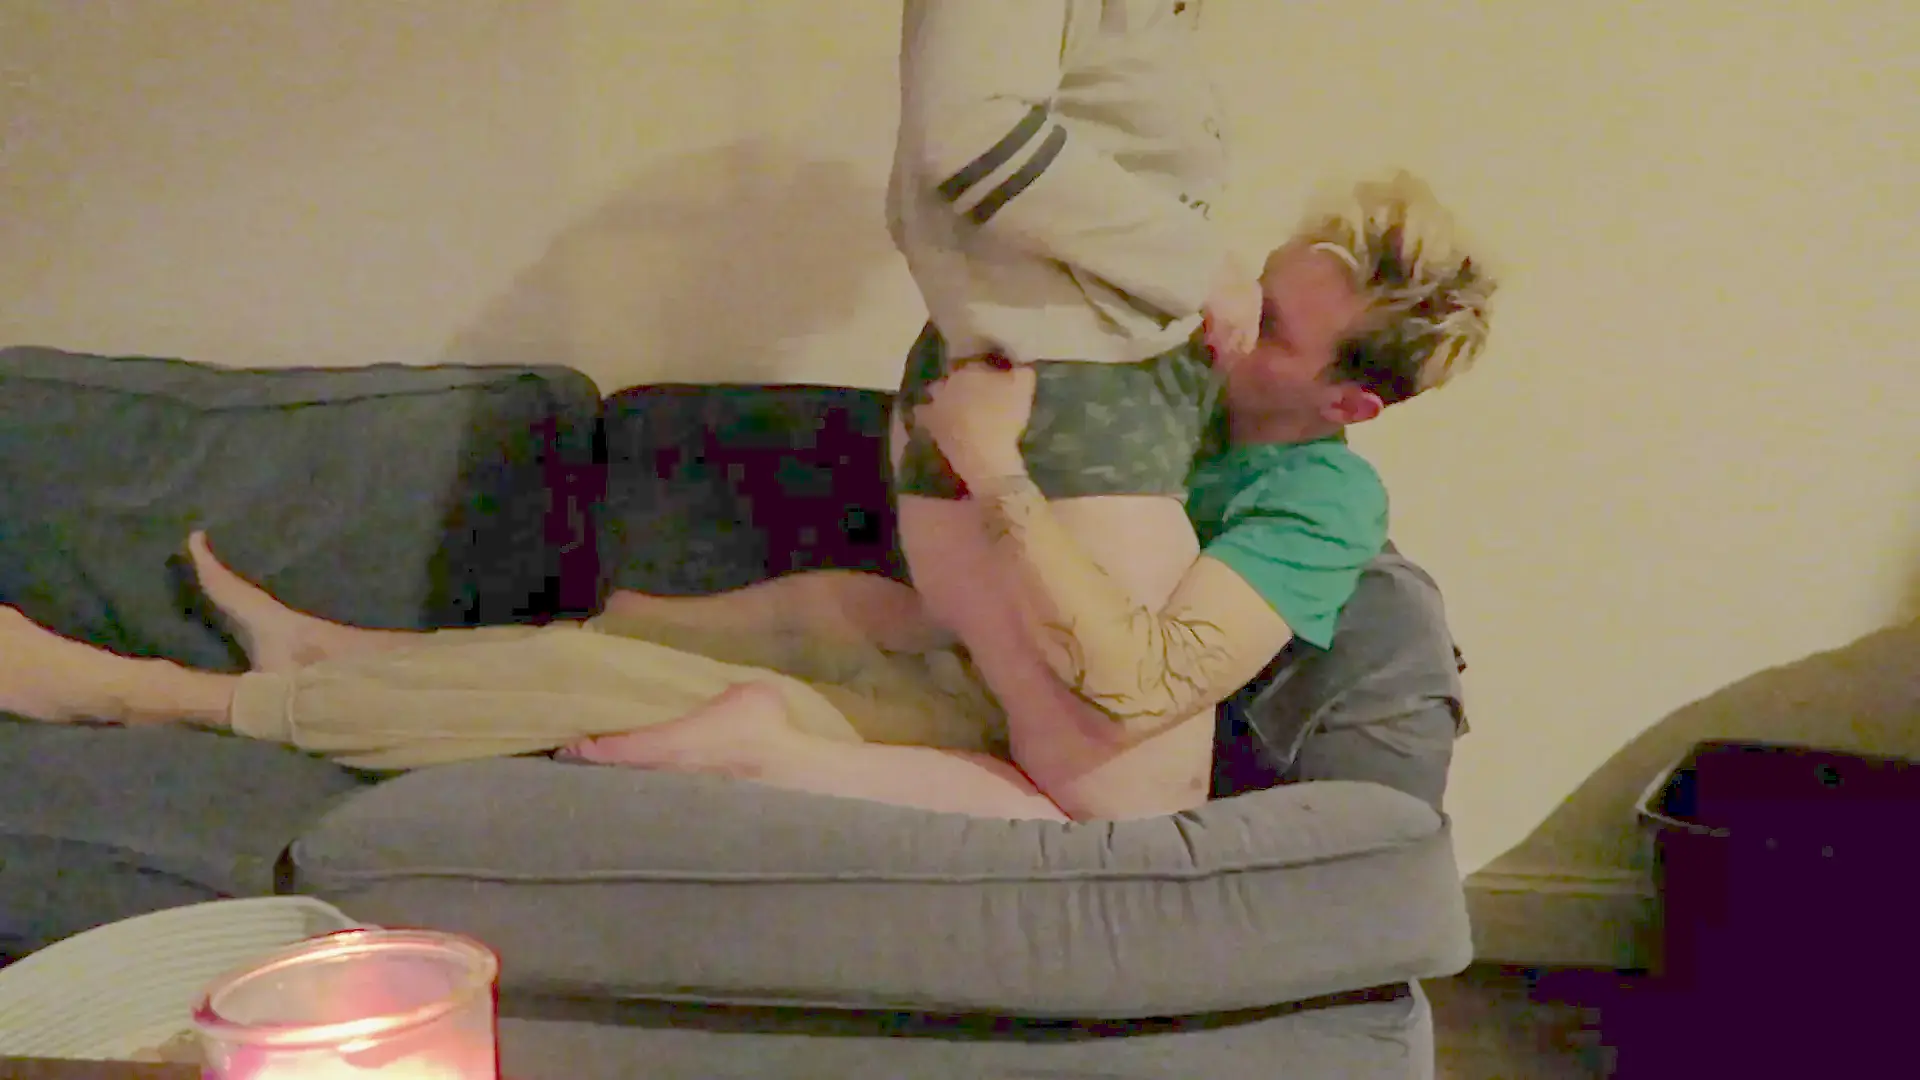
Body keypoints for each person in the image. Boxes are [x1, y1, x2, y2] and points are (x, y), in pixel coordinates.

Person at [0, 171, 1494, 821]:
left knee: (620, 686)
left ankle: (152, 696)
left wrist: (998, 473)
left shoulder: (1321, 506)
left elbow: (1145, 680)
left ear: (1350, 403)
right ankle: (339, 653)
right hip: (945, 657)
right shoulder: (1174, 373)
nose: (1229, 327)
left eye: (1273, 330)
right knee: (689, 621)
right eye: (1256, 290)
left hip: (1029, 756)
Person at [886, 0, 1264, 823]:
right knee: (1129, 813)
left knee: (1068, 787)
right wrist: (1200, 263)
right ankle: (756, 754)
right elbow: (972, 135)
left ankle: (761, 752)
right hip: (1065, 391)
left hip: (1051, 383)